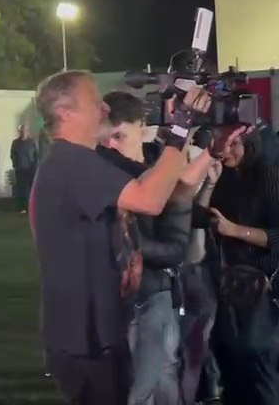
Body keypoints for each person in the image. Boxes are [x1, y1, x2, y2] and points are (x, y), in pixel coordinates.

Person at [29, 70, 217, 404]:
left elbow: (159, 188)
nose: (104, 108)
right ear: (65, 112)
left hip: (89, 335)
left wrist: (185, 134)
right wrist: (180, 128)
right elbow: (150, 199)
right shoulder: (71, 161)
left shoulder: (73, 161)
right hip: (86, 340)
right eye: (94, 101)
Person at [195, 128, 279, 405]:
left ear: (251, 144)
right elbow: (197, 218)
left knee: (260, 355)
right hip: (240, 286)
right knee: (235, 354)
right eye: (224, 143)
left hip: (278, 283)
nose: (227, 150)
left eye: (235, 143)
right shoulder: (225, 177)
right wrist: (209, 183)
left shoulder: (269, 175)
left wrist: (234, 230)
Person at [96, 91, 194, 405]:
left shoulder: (164, 172)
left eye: (119, 136)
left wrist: (129, 246)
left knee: (158, 377)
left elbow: (176, 247)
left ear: (142, 129)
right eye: (105, 139)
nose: (110, 147)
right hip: (115, 299)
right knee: (137, 384)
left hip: (155, 293)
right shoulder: (99, 177)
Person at [10, 125, 38, 214]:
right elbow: (12, 155)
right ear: (20, 131)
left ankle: (30, 207)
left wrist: (35, 165)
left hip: (31, 168)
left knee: (30, 188)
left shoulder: (32, 142)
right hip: (20, 168)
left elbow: (36, 154)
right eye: (23, 130)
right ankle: (22, 207)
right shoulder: (15, 142)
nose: (24, 132)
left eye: (26, 130)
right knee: (21, 188)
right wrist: (15, 164)